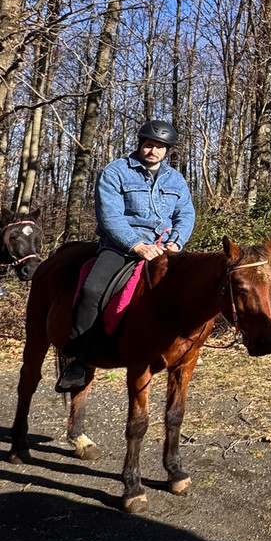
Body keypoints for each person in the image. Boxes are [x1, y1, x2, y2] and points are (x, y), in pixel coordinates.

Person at [55, 119, 195, 392]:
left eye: (160, 147)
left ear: (168, 150)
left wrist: (176, 242)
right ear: (140, 144)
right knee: (92, 290)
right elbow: (110, 216)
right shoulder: (116, 172)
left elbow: (186, 214)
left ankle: (185, 348)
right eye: (149, 144)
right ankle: (77, 359)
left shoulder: (176, 179)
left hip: (166, 249)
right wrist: (138, 246)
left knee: (194, 289)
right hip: (121, 248)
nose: (153, 150)